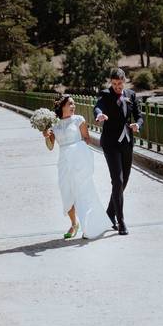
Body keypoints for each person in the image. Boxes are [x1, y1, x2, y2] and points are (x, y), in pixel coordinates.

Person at [44, 95, 113, 240]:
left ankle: (88, 226)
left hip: (79, 160)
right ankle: (74, 223)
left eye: (74, 104)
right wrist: (46, 136)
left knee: (82, 192)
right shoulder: (54, 124)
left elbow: (86, 139)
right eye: (70, 104)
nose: (73, 106)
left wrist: (78, 149)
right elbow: (50, 146)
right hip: (64, 160)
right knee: (66, 191)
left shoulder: (78, 119)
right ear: (62, 106)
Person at [93, 68, 143, 235]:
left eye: (119, 84)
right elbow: (98, 107)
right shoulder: (105, 94)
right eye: (114, 84)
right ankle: (120, 221)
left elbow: (139, 115)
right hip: (110, 143)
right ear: (110, 82)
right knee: (118, 180)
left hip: (127, 142)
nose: (117, 87)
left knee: (124, 181)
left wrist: (138, 124)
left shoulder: (131, 95)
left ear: (124, 81)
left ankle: (109, 213)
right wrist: (99, 115)